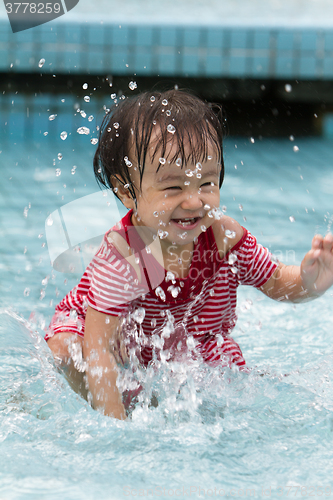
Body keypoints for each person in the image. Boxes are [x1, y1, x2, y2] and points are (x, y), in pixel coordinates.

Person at [45, 89, 333, 420]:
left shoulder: (223, 238)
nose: (194, 201)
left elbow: (279, 282)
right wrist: (118, 430)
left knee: (225, 377)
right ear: (127, 192)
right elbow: (97, 350)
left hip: (185, 343)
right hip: (106, 335)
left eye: (206, 183)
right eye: (173, 188)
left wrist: (311, 283)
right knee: (67, 352)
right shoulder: (126, 256)